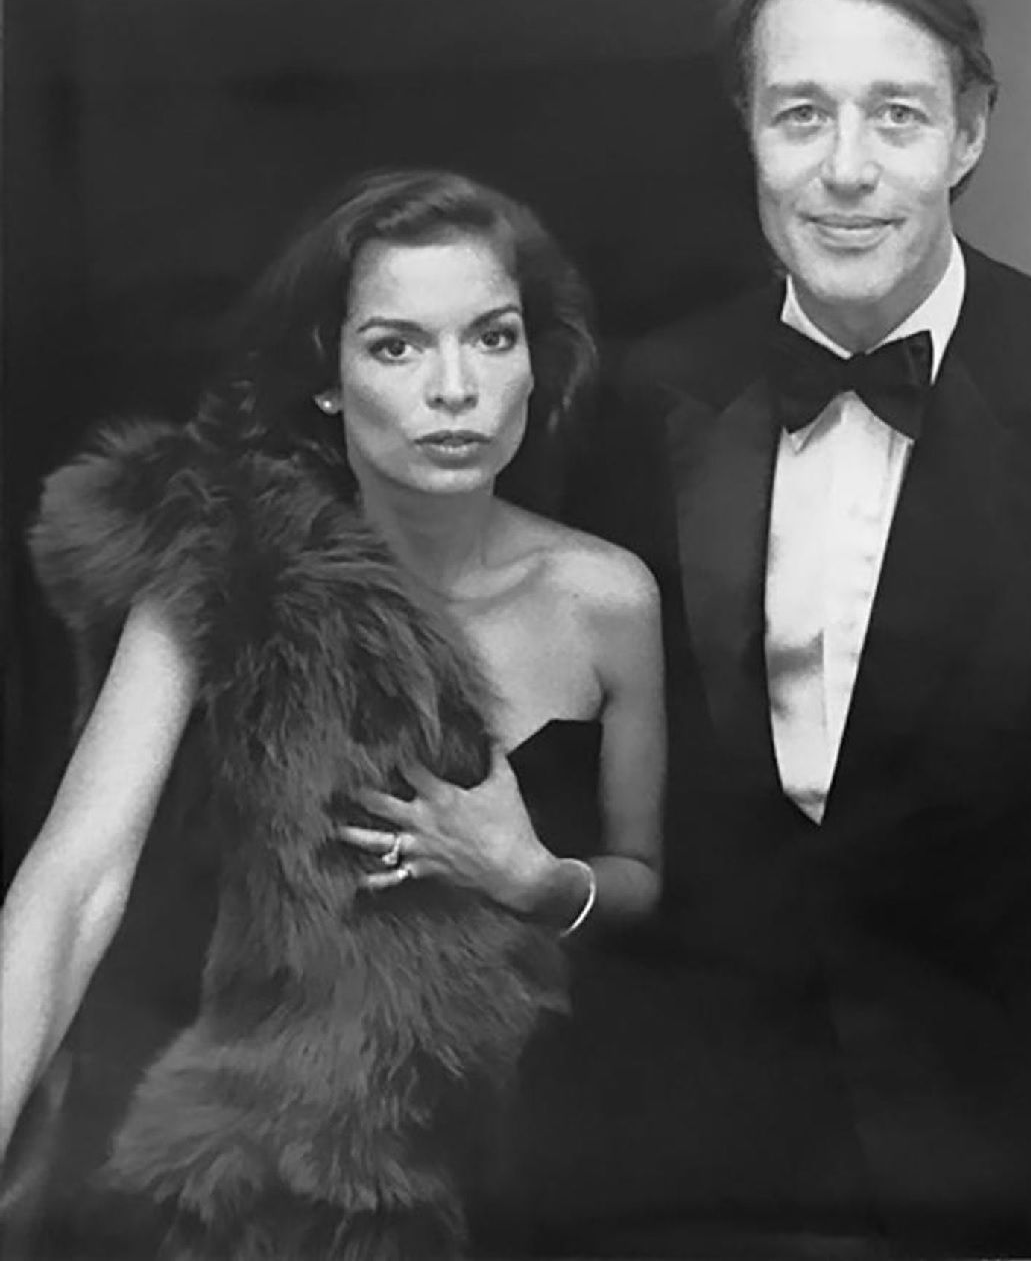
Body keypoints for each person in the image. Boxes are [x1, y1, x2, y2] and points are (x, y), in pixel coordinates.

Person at [567, 0, 1031, 1258]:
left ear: (967, 133)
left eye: (897, 115)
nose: (848, 169)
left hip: (1012, 1120)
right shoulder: (647, 393)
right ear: (748, 132)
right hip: (710, 1134)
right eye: (800, 114)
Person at [0, 168, 666, 1260]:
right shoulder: (229, 568)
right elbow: (76, 882)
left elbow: (646, 886)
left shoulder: (610, 600)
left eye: (492, 338)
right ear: (326, 378)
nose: (455, 389)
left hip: (549, 1160)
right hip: (273, 1171)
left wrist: (534, 879)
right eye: (397, 347)